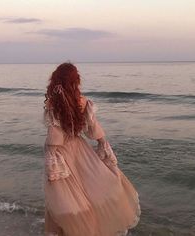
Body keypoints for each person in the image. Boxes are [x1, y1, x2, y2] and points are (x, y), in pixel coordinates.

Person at [42, 62, 141, 236]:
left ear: (56, 79)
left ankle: (71, 230)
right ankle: (89, 228)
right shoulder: (82, 101)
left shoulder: (53, 102)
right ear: (75, 80)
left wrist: (52, 157)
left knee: (63, 196)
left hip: (59, 152)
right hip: (79, 148)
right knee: (89, 187)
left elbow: (54, 135)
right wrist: (103, 143)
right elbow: (92, 127)